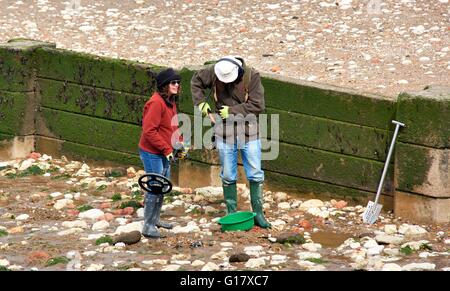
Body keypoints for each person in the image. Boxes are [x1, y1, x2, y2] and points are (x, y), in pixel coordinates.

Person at [191, 56, 271, 228]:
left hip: (249, 131)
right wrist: (200, 103)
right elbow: (196, 81)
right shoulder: (215, 71)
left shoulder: (252, 76)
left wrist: (233, 111)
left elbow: (258, 105)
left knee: (255, 173)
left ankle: (259, 214)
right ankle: (231, 212)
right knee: (228, 174)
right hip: (224, 131)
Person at [138, 67, 186, 238]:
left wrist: (179, 143)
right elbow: (149, 131)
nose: (177, 85)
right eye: (173, 82)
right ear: (165, 85)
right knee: (155, 186)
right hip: (152, 153)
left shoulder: (170, 101)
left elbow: (172, 125)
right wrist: (167, 149)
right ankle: (148, 226)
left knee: (163, 185)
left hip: (164, 151)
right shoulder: (156, 103)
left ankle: (156, 219)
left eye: (178, 82)